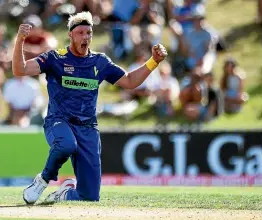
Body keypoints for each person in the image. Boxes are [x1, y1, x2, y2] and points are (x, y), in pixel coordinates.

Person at [12, 11, 167, 204]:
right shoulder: (55, 58)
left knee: (90, 197)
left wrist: (153, 62)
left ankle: (65, 193)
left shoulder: (100, 62)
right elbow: (20, 69)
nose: (86, 37)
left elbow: (129, 81)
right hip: (59, 121)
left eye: (89, 33)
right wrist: (19, 41)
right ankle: (43, 180)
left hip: (87, 128)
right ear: (70, 35)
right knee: (66, 145)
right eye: (81, 33)